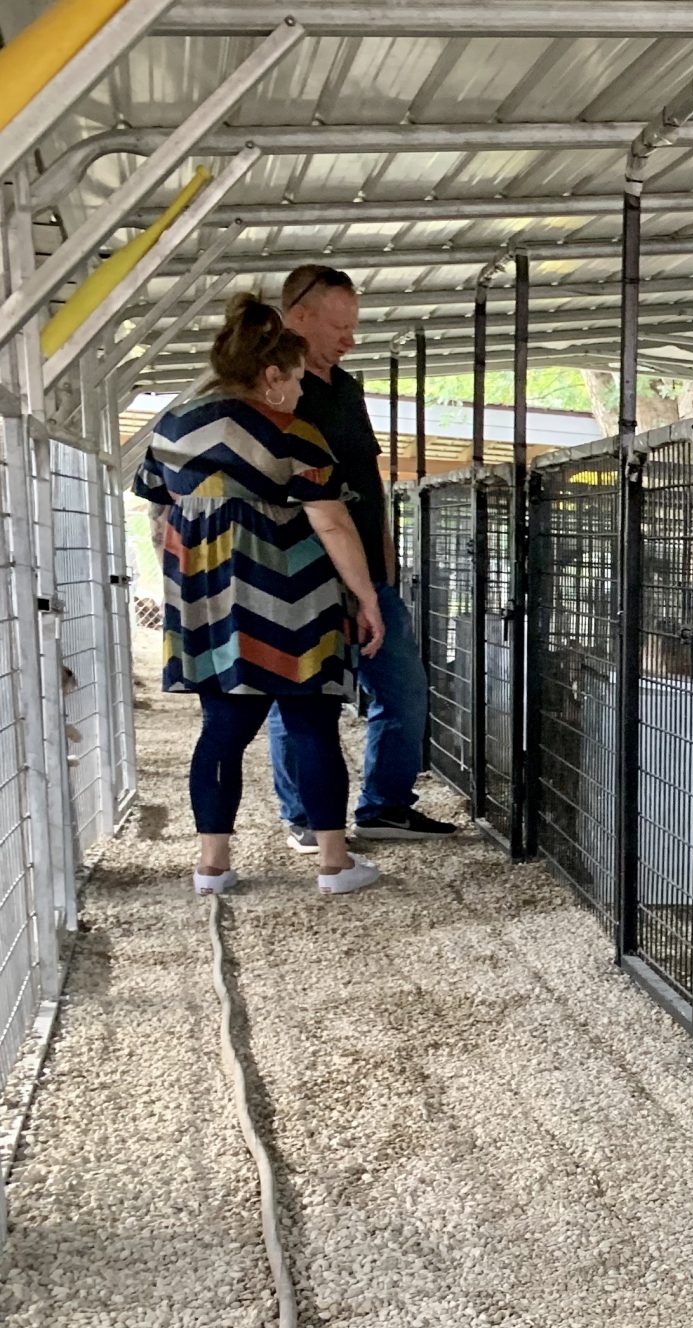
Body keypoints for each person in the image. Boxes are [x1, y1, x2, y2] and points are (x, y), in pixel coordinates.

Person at [137, 294, 386, 897]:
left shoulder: (173, 428)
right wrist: (366, 597)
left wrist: (185, 579)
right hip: (294, 604)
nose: (301, 393)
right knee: (311, 726)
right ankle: (333, 864)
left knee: (221, 729)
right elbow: (331, 522)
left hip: (209, 605)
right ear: (272, 377)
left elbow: (157, 511)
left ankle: (212, 868)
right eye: (297, 381)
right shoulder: (292, 432)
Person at [264, 262, 457, 847]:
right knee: (300, 696)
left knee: (402, 688)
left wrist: (386, 560)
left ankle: (385, 806)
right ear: (298, 317)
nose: (351, 338)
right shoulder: (275, 389)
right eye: (340, 325)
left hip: (370, 573)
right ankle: (303, 815)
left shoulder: (345, 387)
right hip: (304, 576)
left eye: (354, 325)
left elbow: (369, 479)